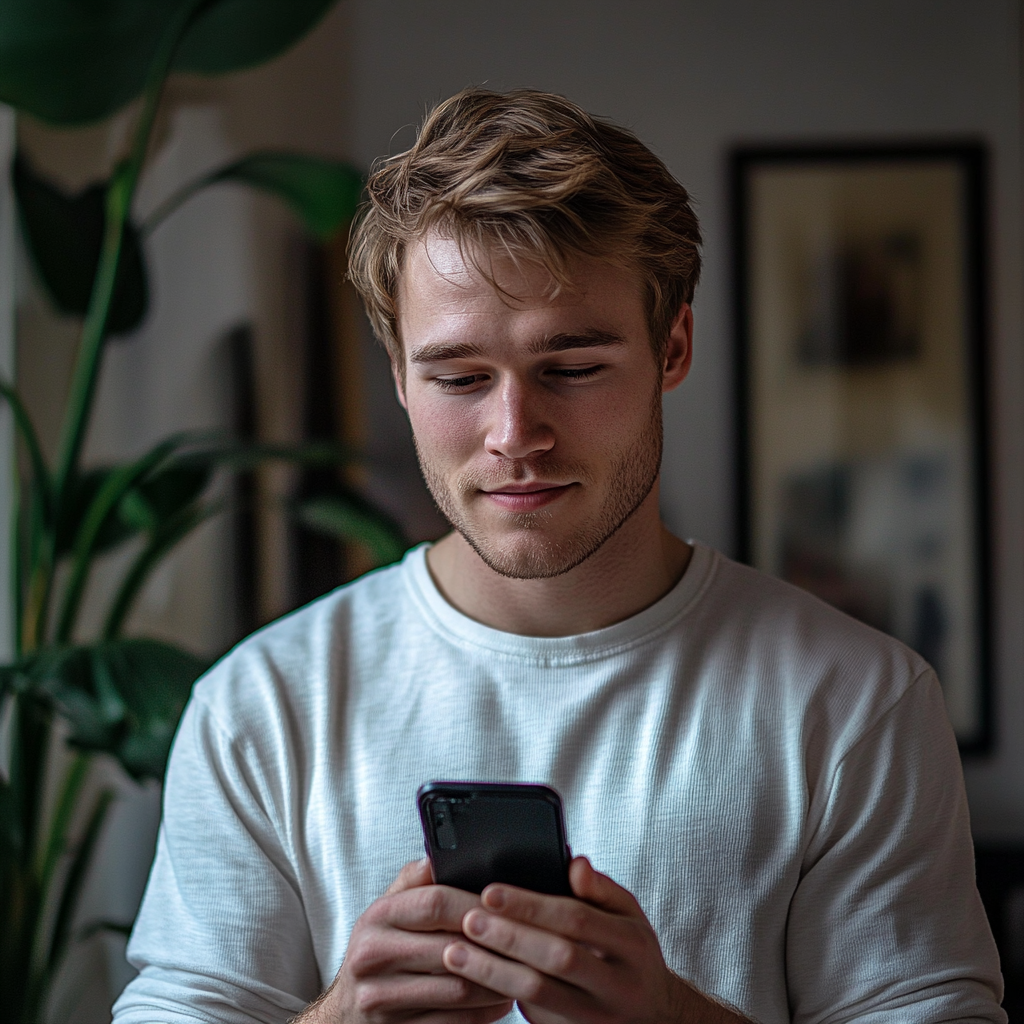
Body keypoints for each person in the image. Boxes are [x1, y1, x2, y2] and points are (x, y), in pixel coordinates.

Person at [112, 89, 1006, 1024]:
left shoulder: (856, 703)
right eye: (459, 377)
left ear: (674, 346)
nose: (514, 434)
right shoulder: (264, 706)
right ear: (400, 378)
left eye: (571, 369)